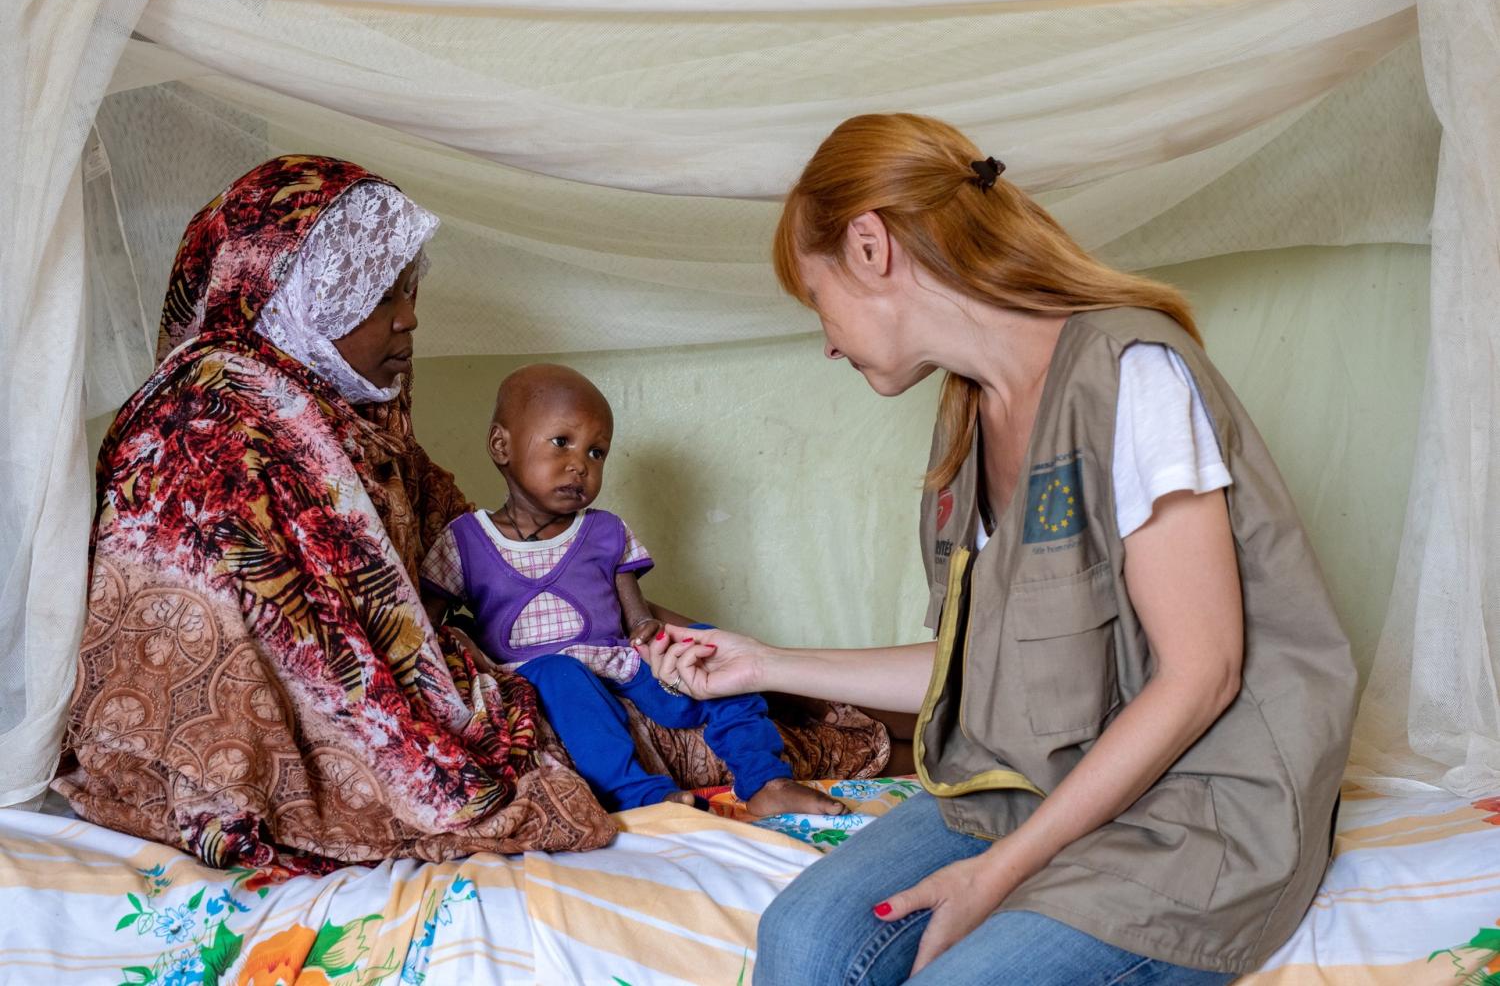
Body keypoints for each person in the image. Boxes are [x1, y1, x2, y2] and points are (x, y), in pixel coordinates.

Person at [637, 114, 1357, 984]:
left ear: (870, 246)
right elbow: (978, 665)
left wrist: (997, 876)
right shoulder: (966, 419)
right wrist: (763, 665)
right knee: (801, 937)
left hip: (1189, 812)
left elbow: (1201, 676)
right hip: (1021, 783)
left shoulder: (1133, 372)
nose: (824, 339)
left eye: (816, 300)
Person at [54, 156, 617, 868]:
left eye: (409, 291)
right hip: (218, 751)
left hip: (401, 695)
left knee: (641, 703)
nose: (411, 319)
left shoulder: (348, 419)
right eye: (381, 296)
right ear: (298, 296)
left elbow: (474, 551)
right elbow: (286, 650)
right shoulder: (208, 424)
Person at [420, 363, 846, 817]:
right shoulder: (465, 539)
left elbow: (634, 613)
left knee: (708, 648)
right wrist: (460, 645)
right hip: (535, 675)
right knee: (562, 676)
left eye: (597, 453)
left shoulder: (605, 530)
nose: (579, 465)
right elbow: (425, 619)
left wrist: (652, 633)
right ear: (501, 445)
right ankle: (637, 794)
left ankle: (766, 778)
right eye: (562, 442)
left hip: (616, 659)